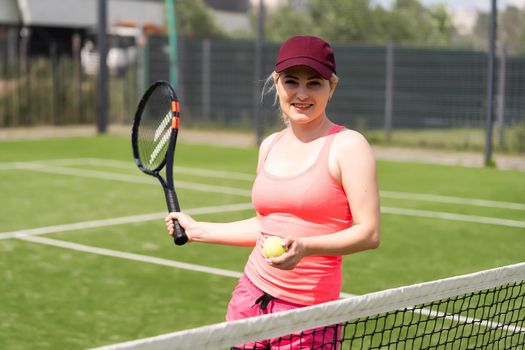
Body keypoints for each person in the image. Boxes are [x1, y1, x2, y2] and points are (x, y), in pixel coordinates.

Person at [165, 35, 380, 349]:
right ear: (277, 84)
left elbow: (369, 233)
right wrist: (199, 230)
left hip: (309, 316)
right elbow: (265, 226)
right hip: (249, 300)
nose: (302, 94)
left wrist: (305, 247)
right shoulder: (269, 145)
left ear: (331, 88)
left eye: (315, 83)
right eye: (291, 82)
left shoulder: (348, 146)